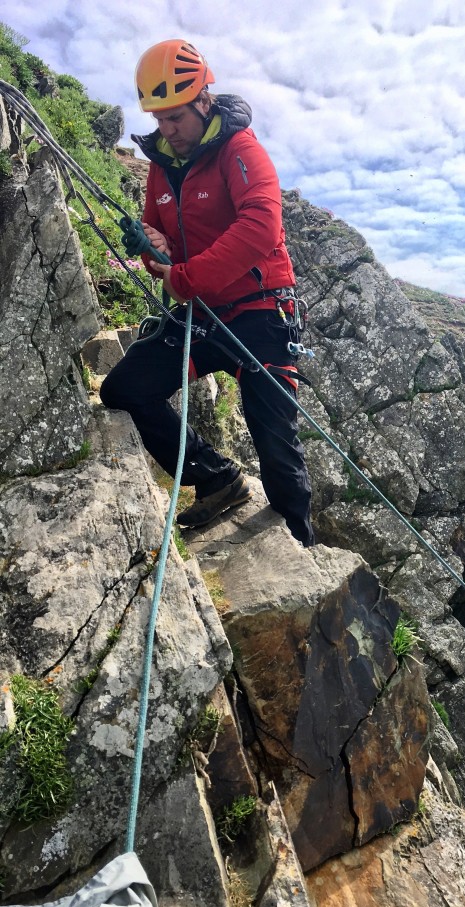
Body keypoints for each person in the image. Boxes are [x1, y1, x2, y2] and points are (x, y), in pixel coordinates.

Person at [100, 39, 314, 546]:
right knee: (125, 389)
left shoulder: (241, 150)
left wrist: (182, 275)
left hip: (261, 315)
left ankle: (302, 548)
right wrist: (151, 247)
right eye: (158, 118)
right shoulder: (160, 168)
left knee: (276, 447)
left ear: (202, 101)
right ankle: (216, 478)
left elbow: (261, 227)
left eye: (174, 116)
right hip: (202, 316)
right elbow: (161, 255)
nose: (166, 130)